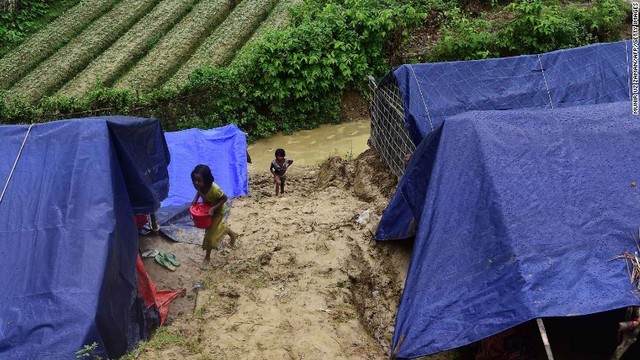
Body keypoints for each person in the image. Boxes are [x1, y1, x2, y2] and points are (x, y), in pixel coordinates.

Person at [191, 164, 239, 268]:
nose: (196, 183)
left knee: (209, 234)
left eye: (199, 180)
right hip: (207, 210)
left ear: (207, 180)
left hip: (217, 212)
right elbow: (199, 191)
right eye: (195, 180)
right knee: (210, 229)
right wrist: (195, 198)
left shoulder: (215, 189)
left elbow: (224, 199)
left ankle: (207, 257)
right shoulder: (198, 185)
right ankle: (231, 234)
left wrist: (213, 209)